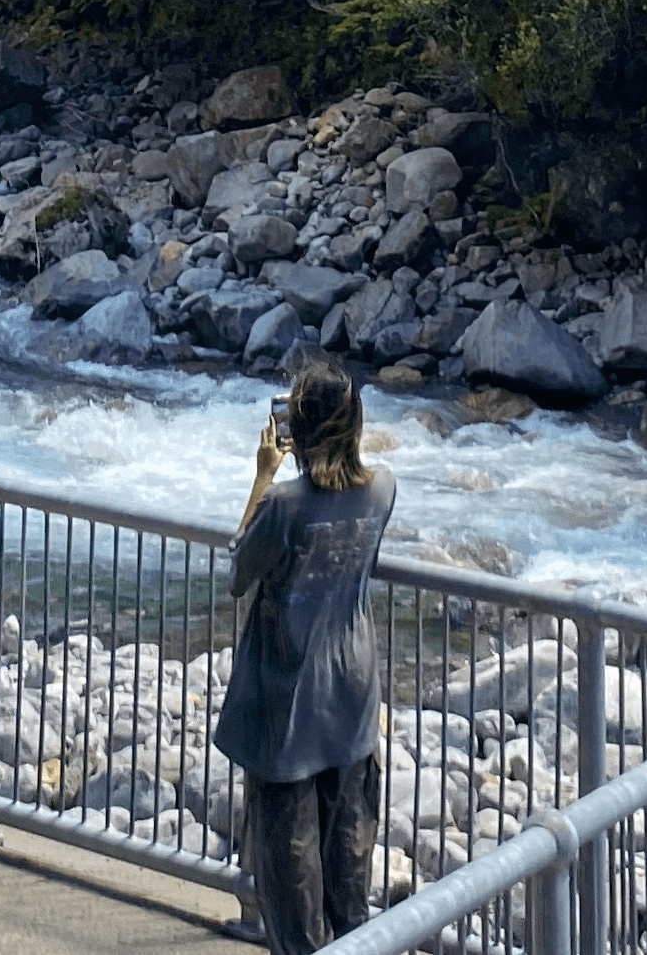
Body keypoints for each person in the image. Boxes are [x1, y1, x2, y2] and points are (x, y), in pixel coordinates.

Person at [214, 357, 398, 955]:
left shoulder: (285, 504)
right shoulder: (384, 489)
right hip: (352, 699)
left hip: (286, 710)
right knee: (349, 889)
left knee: (294, 909)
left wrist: (263, 476)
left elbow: (239, 572)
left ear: (298, 427)